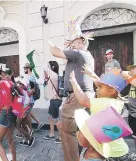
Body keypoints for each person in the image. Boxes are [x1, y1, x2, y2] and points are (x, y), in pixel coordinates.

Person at [49, 20, 95, 161]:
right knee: (75, 131)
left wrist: (50, 42)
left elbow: (54, 51)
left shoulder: (79, 53)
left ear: (82, 42)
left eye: (74, 42)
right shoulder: (88, 56)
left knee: (67, 131)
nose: (72, 44)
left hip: (76, 97)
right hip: (81, 96)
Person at [70, 68, 131, 160]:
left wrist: (74, 82)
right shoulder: (115, 101)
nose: (96, 89)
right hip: (118, 149)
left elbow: (83, 100)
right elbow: (105, 86)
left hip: (111, 152)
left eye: (99, 87)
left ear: (111, 91)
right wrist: (92, 75)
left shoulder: (104, 103)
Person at [43, 61, 62, 143]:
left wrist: (38, 56)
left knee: (56, 119)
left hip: (55, 100)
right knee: (50, 117)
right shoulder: (54, 76)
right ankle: (52, 134)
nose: (47, 67)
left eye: (49, 66)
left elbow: (44, 68)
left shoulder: (53, 75)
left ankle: (61, 137)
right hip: (54, 100)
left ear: (52, 67)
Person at [14, 76, 35, 147]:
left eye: (20, 83)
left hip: (23, 110)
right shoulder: (25, 91)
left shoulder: (21, 91)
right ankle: (27, 140)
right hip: (25, 110)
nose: (19, 84)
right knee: (23, 125)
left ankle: (30, 138)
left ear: (23, 85)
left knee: (18, 125)